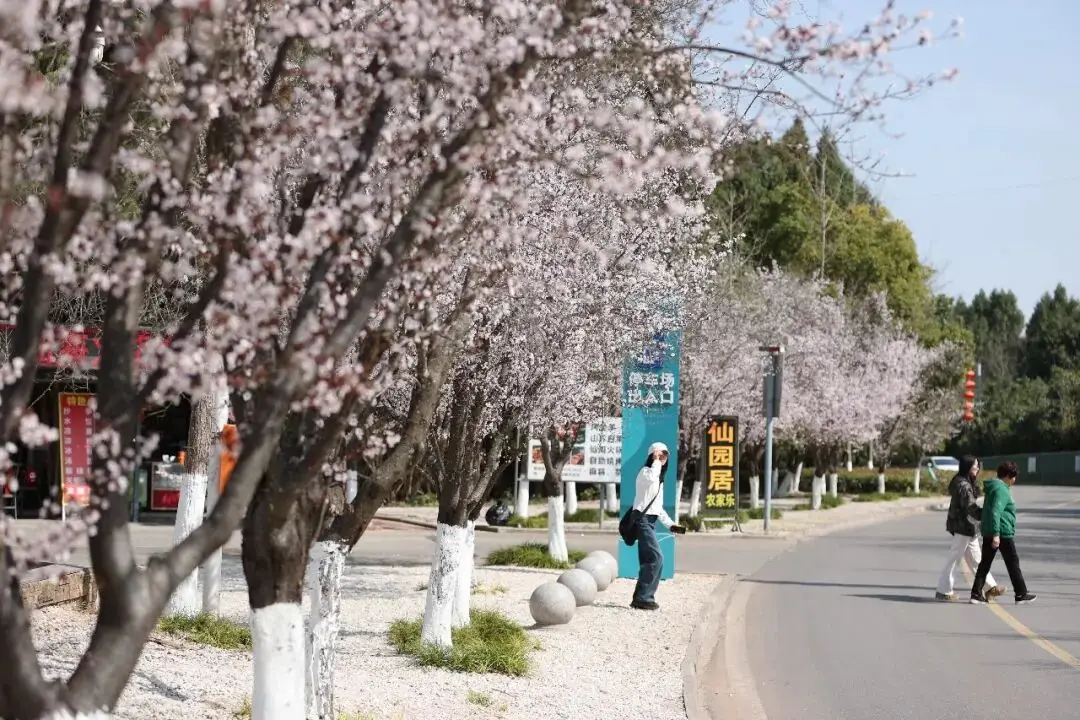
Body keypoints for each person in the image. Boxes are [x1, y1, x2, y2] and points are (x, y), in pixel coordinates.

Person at [935, 455, 1004, 601]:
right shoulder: (964, 485)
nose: (977, 469)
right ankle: (944, 590)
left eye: (978, 466)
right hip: (964, 526)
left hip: (967, 526)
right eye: (974, 466)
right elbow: (970, 507)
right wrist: (986, 515)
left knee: (976, 558)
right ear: (967, 468)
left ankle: (990, 587)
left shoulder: (963, 481)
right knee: (955, 558)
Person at [970, 461, 1037, 605]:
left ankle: (976, 594)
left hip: (991, 530)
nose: (1014, 480)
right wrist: (996, 534)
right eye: (1013, 476)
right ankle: (1021, 594)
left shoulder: (994, 487)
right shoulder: (1001, 489)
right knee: (1012, 562)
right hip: (1002, 532)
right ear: (1007, 476)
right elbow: (996, 511)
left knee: (985, 563)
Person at [630, 442, 686, 611]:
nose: (662, 459)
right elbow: (651, 478)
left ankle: (640, 598)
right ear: (651, 456)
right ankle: (644, 598)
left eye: (665, 456)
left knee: (649, 560)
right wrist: (655, 460)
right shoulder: (645, 473)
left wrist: (671, 525)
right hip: (642, 521)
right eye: (659, 455)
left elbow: (658, 508)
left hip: (650, 521)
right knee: (656, 558)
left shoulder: (658, 478)